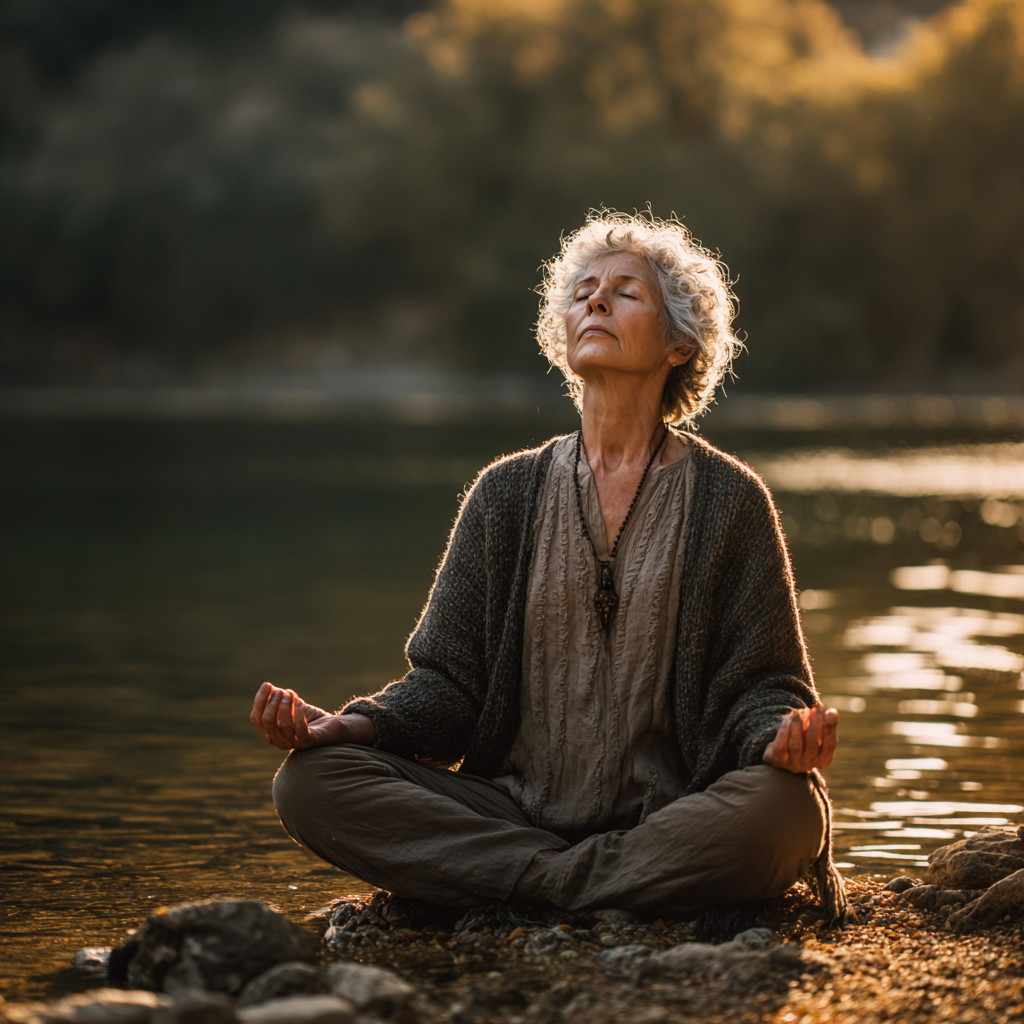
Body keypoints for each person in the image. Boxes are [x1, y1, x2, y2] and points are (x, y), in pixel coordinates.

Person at [250, 211, 846, 924]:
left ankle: (529, 886)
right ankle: (590, 884)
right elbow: (448, 687)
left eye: (627, 292)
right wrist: (352, 727)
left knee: (787, 809)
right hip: (511, 811)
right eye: (583, 290)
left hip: (675, 813)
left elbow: (766, 683)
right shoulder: (505, 492)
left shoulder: (730, 499)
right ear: (562, 331)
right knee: (310, 783)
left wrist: (780, 736)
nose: (595, 300)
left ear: (681, 343)